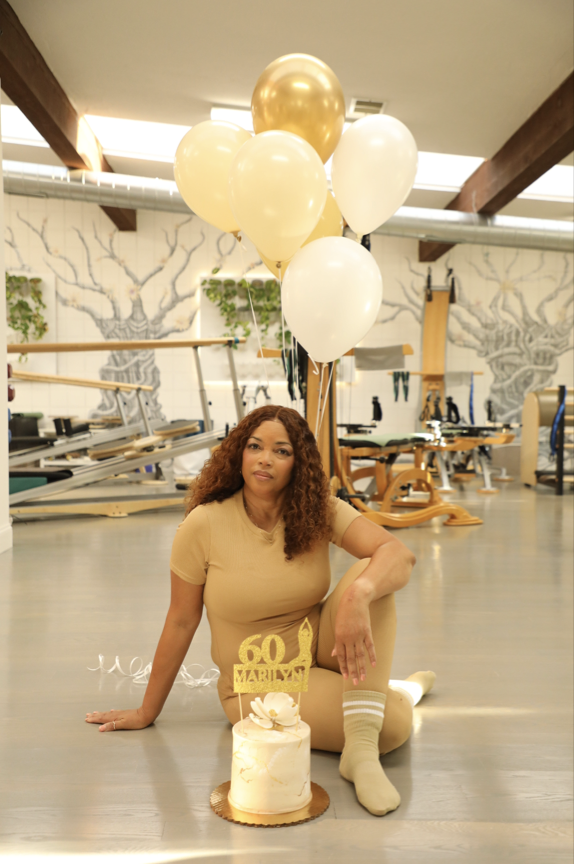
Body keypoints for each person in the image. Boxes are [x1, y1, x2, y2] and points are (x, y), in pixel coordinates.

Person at [86, 405, 435, 816]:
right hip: (257, 682)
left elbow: (399, 555)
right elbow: (181, 620)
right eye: (255, 446)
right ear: (239, 454)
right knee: (393, 723)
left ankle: (359, 753)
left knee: (369, 573)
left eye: (281, 451)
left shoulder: (314, 509)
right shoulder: (204, 524)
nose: (265, 458)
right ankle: (399, 694)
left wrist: (359, 594)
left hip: (319, 647)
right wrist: (148, 710)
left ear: (297, 464)